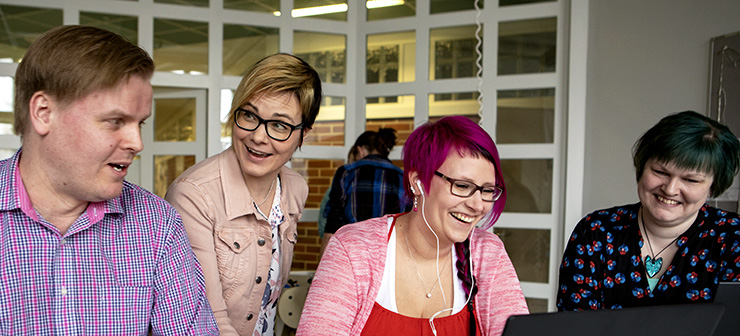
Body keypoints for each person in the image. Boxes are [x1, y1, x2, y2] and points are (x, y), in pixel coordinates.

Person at [1, 25, 218, 334]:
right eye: (115, 121)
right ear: (44, 112)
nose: (137, 143)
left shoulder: (157, 225)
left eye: (139, 123)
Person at [298, 116, 529, 335]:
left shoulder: (487, 253)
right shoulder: (353, 249)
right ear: (418, 182)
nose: (478, 205)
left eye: (487, 190)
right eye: (461, 186)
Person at [165, 53, 322, 335]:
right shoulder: (194, 195)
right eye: (249, 115)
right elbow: (207, 317)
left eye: (279, 125)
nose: (258, 136)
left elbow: (267, 301)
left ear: (303, 134)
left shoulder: (295, 188)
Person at [557, 110, 740, 311]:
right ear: (642, 168)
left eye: (691, 180)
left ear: (713, 186)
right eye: (660, 172)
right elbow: (573, 325)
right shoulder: (595, 231)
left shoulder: (733, 238)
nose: (670, 190)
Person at [321, 128, 409, 253]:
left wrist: (324, 261)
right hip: (389, 253)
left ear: (360, 150)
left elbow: (333, 223)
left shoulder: (347, 173)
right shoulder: (402, 177)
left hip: (351, 251)